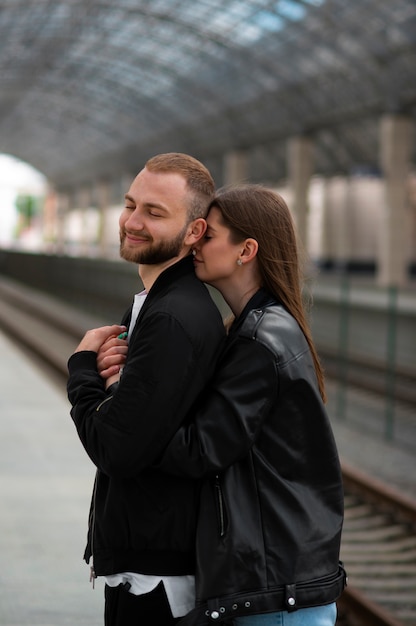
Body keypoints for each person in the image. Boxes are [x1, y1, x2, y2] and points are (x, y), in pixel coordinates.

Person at [153, 184, 346, 625]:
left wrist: (124, 410)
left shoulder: (261, 341)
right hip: (278, 579)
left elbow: (200, 449)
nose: (195, 243)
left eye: (209, 235)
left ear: (246, 250)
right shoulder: (255, 328)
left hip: (276, 591)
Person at [66, 153, 226, 626]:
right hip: (149, 560)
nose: (132, 222)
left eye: (154, 213)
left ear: (194, 232)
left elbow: (116, 448)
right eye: (130, 204)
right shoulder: (157, 305)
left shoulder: (172, 317)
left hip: (158, 580)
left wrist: (81, 372)